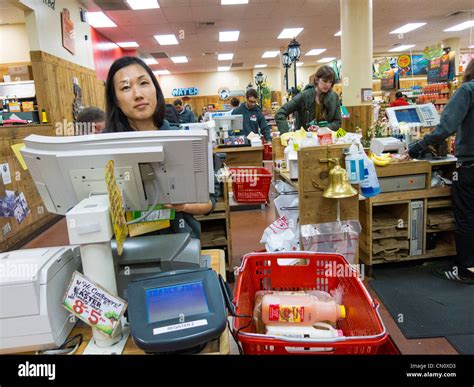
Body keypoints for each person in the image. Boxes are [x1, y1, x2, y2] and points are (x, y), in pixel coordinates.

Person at [103, 56, 217, 238]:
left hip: (180, 242)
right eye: (125, 87)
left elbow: (210, 201)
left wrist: (184, 206)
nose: (138, 94)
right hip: (126, 249)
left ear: (155, 89)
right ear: (115, 100)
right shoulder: (104, 147)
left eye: (143, 83)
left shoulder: (185, 141)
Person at [407, 60, 474, 284]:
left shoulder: (467, 90)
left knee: (466, 217)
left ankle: (465, 269)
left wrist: (417, 147)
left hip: (470, 166)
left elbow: (445, 127)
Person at [275, 65, 341, 133]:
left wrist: (323, 128)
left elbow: (337, 122)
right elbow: (280, 113)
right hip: (306, 141)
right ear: (317, 80)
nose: (328, 85)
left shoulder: (334, 97)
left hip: (327, 140)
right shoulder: (304, 96)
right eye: (325, 81)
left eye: (330, 82)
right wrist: (286, 135)